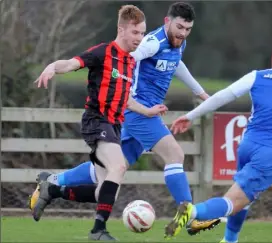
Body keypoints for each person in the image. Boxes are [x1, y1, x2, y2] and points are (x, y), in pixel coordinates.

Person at [29, 2, 220, 236]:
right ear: (167, 21)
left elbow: (175, 63)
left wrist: (200, 93)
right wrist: (126, 94)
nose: (183, 33)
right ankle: (188, 217)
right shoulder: (150, 43)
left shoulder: (177, 43)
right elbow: (127, 58)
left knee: (111, 174)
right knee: (175, 155)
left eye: (188, 29)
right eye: (180, 27)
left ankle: (54, 182)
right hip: (136, 112)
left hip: (142, 111)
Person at [164, 34, 272, 241]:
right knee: (233, 202)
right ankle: (192, 213)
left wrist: (190, 116)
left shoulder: (257, 76)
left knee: (245, 199)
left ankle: (230, 240)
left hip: (248, 145)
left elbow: (222, 96)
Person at [33, 5, 168, 241]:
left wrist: (147, 111)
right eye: (135, 33)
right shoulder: (104, 52)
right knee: (119, 166)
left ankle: (52, 189)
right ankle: (98, 231)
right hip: (96, 120)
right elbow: (72, 63)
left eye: (143, 34)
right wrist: (53, 67)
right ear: (121, 29)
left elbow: (124, 99)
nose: (140, 39)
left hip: (114, 126)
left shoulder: (130, 63)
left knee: (104, 192)